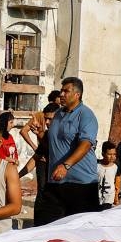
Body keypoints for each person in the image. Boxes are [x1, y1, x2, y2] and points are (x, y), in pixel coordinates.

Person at [33, 77, 101, 226]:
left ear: (77, 94)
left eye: (66, 91)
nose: (61, 94)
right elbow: (53, 144)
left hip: (81, 185)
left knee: (81, 233)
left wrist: (66, 165)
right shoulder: (57, 114)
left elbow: (85, 144)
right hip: (56, 182)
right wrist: (41, 134)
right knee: (46, 226)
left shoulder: (86, 115)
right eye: (61, 91)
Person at [18, 103, 59, 192]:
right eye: (46, 119)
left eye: (50, 119)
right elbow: (36, 157)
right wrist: (18, 177)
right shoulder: (46, 134)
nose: (47, 122)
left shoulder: (64, 136)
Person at [97, 141, 119, 209]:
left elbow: (117, 184)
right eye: (109, 154)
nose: (112, 157)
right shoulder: (96, 165)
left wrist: (116, 198)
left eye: (114, 154)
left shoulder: (116, 167)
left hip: (109, 200)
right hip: (96, 198)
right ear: (103, 154)